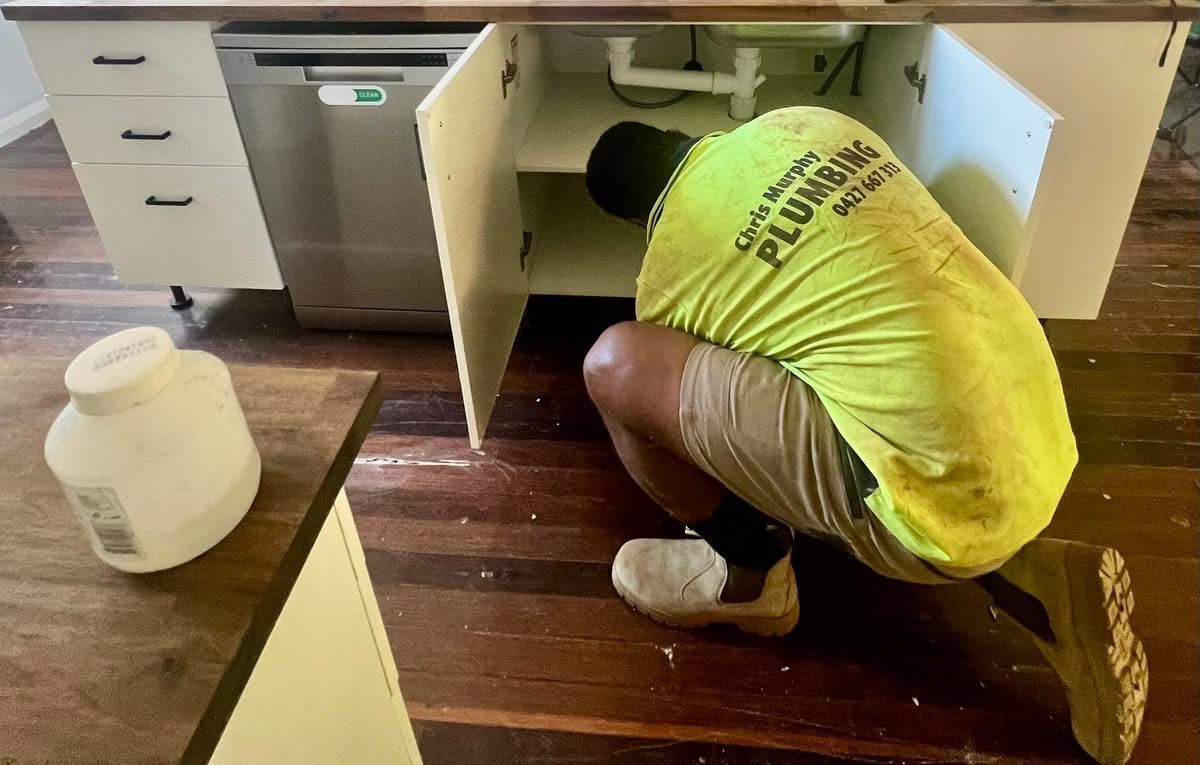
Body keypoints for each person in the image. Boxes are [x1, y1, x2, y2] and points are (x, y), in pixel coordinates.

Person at [580, 110, 1146, 765]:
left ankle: (749, 577)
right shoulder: (802, 123)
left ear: (632, 222)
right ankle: (1039, 578)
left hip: (940, 491)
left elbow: (702, 419)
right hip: (1041, 419)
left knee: (618, 364)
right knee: (859, 366)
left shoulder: (670, 267)